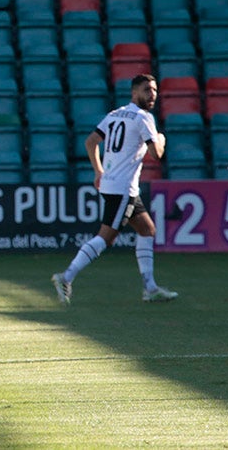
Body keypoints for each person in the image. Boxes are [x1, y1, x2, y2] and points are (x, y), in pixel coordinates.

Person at [51, 74, 178, 305]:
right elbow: (156, 154)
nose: (152, 95)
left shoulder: (115, 114)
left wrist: (98, 171)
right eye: (147, 90)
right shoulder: (143, 117)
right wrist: (161, 138)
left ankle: (150, 287)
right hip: (122, 189)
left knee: (147, 230)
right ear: (134, 93)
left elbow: (90, 142)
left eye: (155, 90)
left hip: (118, 186)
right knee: (106, 238)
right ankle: (66, 277)